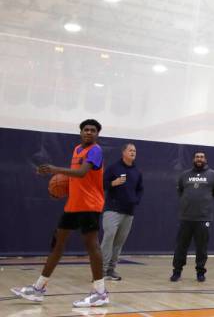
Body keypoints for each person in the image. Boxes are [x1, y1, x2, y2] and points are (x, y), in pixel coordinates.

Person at [11, 119, 109, 308]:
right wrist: (59, 187)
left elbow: (81, 173)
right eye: (86, 130)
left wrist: (55, 170)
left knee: (92, 245)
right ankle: (38, 289)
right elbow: (75, 179)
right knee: (57, 244)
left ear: (97, 134)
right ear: (81, 132)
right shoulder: (77, 149)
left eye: (93, 130)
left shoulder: (95, 150)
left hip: (90, 204)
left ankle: (100, 292)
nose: (89, 132)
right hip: (73, 204)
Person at [171, 151, 214, 282]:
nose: (199, 159)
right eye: (197, 157)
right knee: (181, 246)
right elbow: (180, 191)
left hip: (203, 218)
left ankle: (200, 272)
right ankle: (177, 272)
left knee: (201, 248)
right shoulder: (185, 175)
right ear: (193, 159)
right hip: (186, 217)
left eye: (202, 157)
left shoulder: (213, 175)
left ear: (205, 159)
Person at [101, 143, 143, 281]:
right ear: (123, 152)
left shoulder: (137, 172)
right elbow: (102, 184)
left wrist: (135, 200)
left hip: (129, 212)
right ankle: (101, 270)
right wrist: (114, 183)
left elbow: (140, 189)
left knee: (119, 243)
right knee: (109, 238)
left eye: (134, 151)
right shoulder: (114, 168)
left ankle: (111, 270)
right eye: (130, 150)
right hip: (112, 210)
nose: (133, 152)